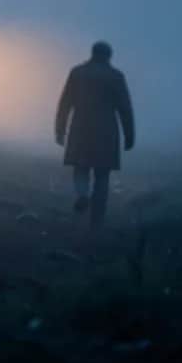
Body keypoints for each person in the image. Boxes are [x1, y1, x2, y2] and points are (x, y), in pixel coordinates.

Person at [55, 41, 135, 229]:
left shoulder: (77, 73)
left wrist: (60, 130)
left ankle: (82, 194)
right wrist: (129, 136)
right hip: (106, 131)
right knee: (102, 175)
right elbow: (125, 108)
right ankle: (97, 220)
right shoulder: (116, 76)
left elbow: (65, 103)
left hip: (80, 128)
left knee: (81, 167)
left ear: (92, 53)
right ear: (109, 56)